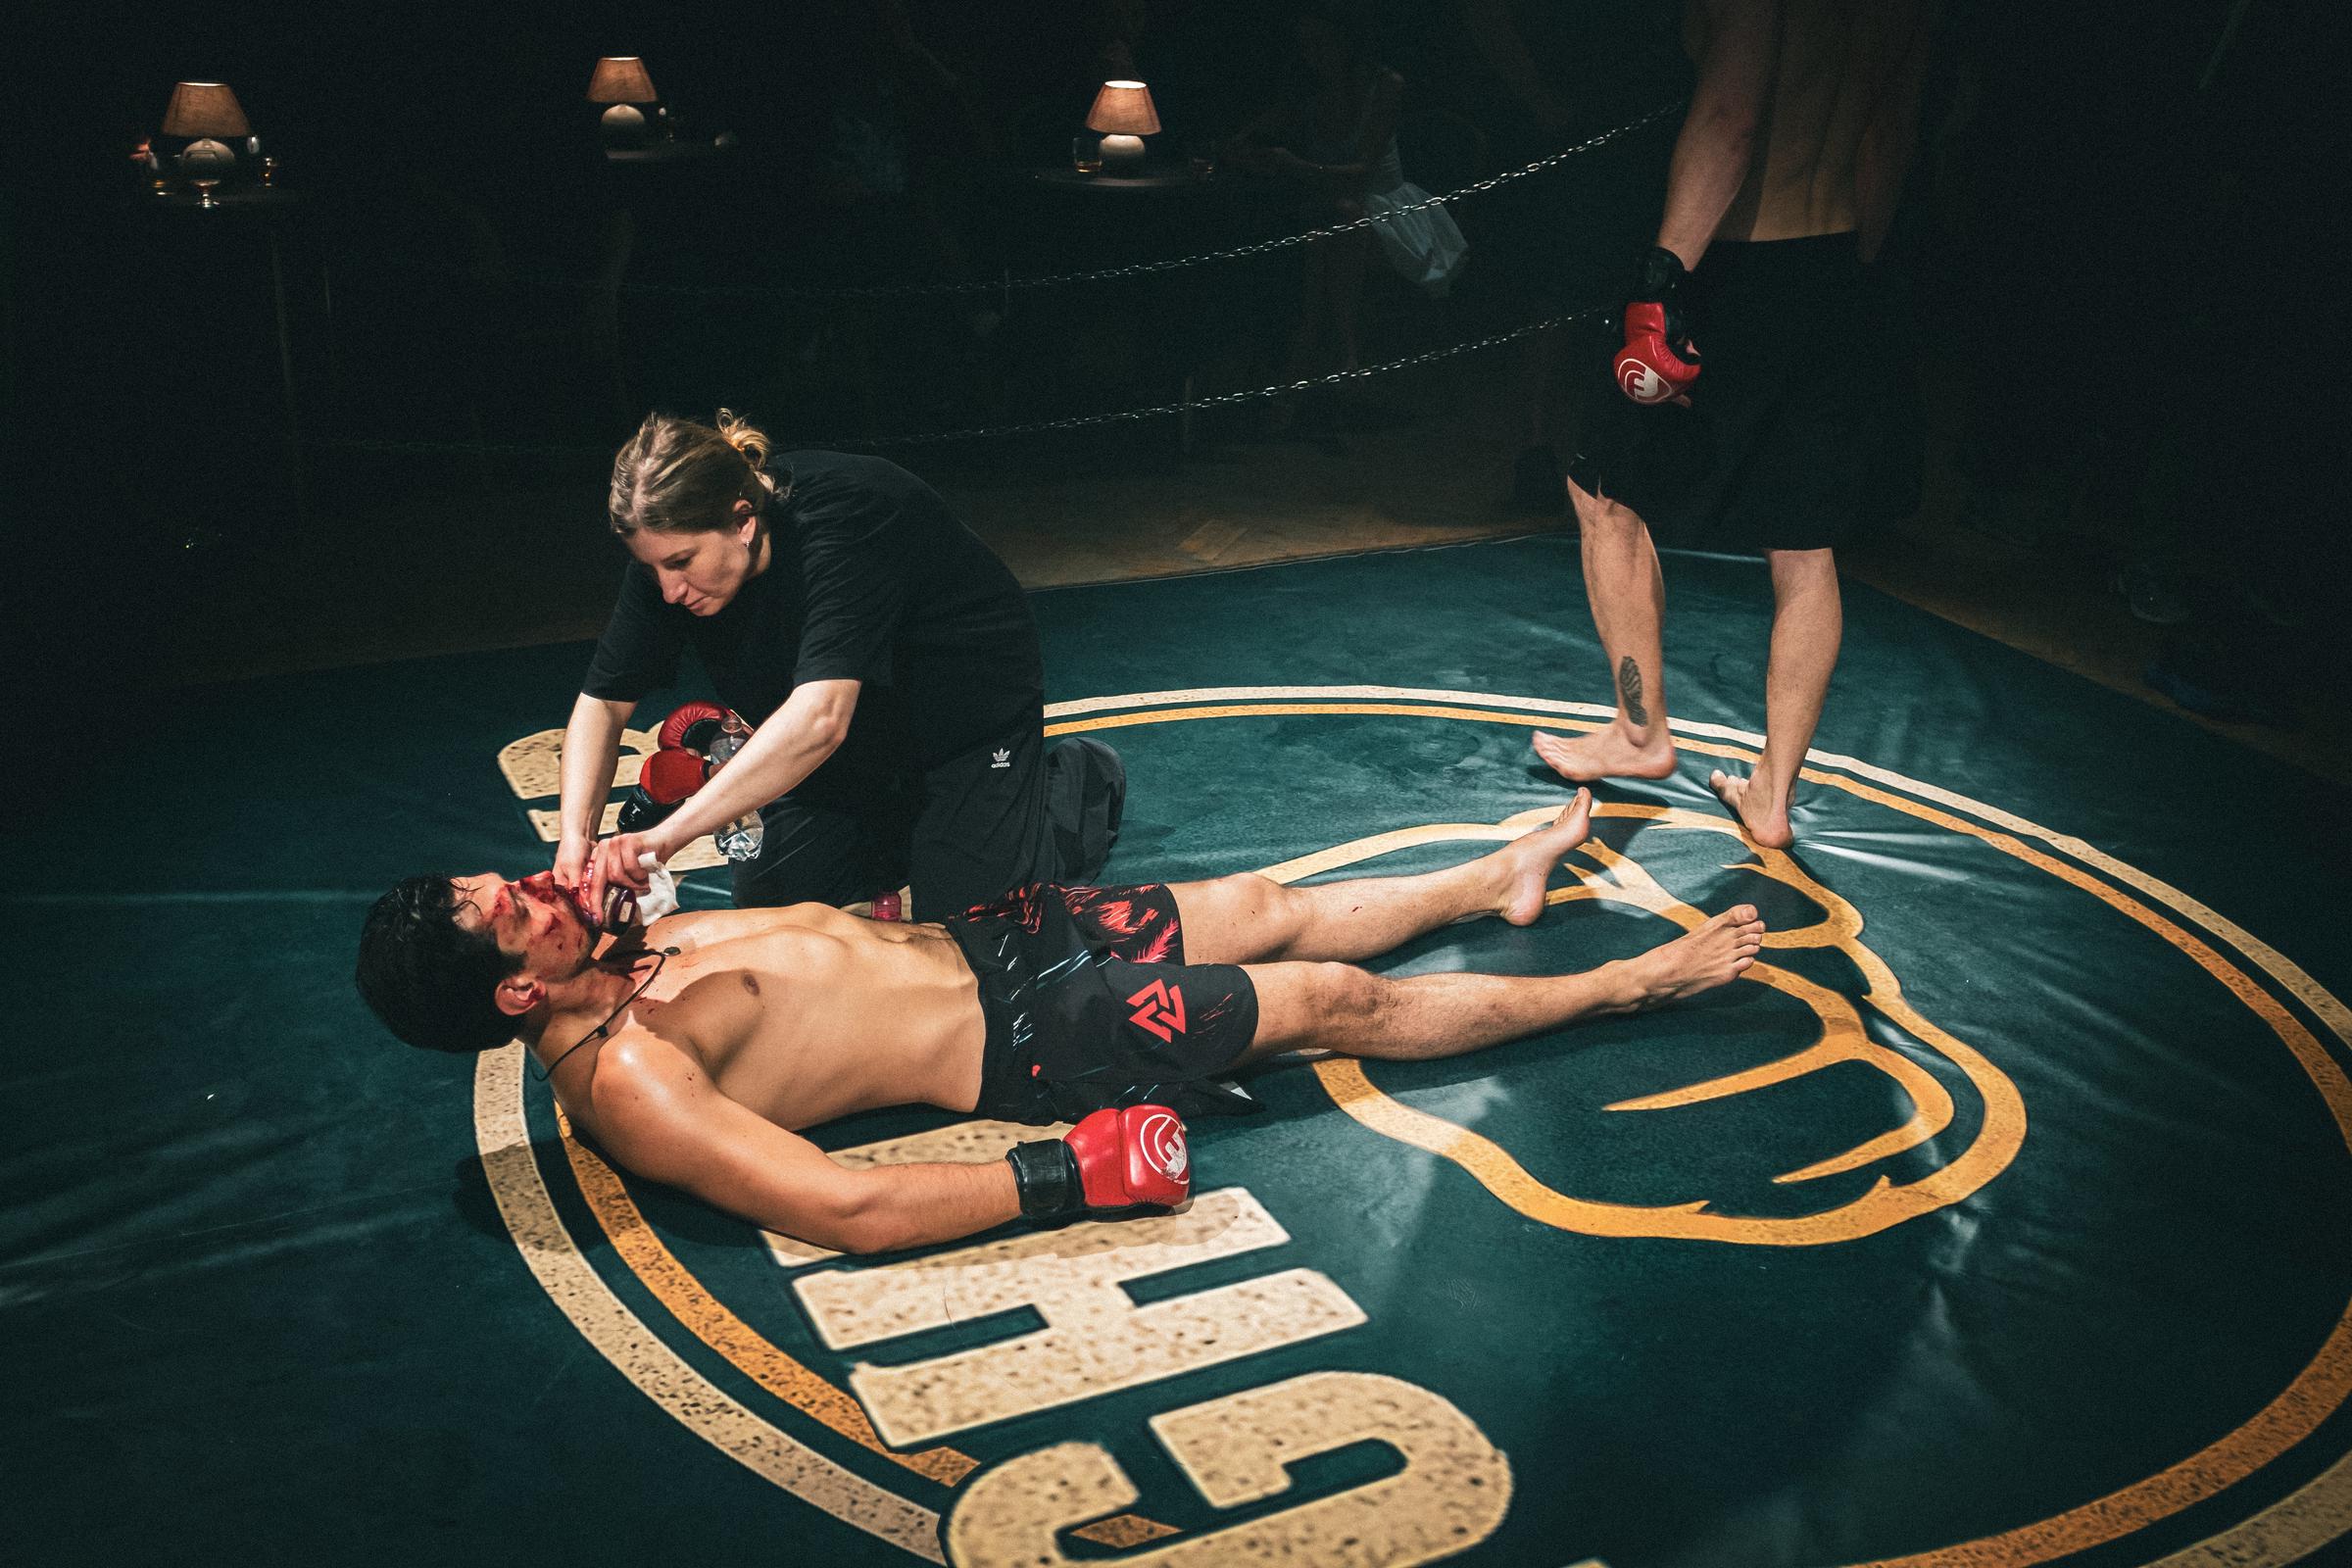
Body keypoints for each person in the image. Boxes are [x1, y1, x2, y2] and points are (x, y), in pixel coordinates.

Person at [357, 792, 1766, 1254]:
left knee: (1271, 901)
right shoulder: (630, 1084)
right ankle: (1630, 987)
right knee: (1335, 1005)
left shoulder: (614, 947)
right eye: (515, 913)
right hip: (1041, 1035)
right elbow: (841, 1205)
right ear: (514, 996)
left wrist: (652, 859)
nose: (537, 882)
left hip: (1002, 939)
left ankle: (1491, 872)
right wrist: (1061, 1177)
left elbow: (815, 933)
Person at [1534, 0, 1934, 849]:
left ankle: (1641, 734)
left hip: (1731, 263)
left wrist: (1660, 280)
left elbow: (1731, 117)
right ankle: (1773, 799)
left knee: (1600, 491)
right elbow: (1886, 141)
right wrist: (1847, 278)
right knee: (1804, 543)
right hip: (1832, 262)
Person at [559, 409, 1122, 921]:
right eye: (653, 567)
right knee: (768, 915)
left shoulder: (847, 517)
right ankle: (912, 833)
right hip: (851, 750)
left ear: (743, 520)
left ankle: (1069, 791)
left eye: (681, 563)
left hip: (964, 727)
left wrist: (664, 837)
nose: (669, 590)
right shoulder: (668, 564)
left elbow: (820, 719)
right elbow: (604, 704)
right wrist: (573, 838)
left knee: (971, 936)